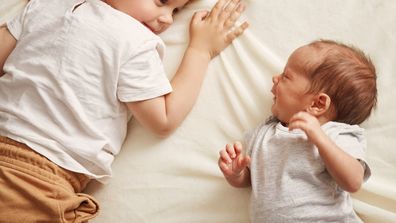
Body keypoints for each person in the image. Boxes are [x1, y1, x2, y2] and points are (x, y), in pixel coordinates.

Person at [0, 0, 248, 222]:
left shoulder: (46, 5)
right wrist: (200, 51)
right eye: (161, 1)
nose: (168, 19)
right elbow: (163, 119)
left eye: (176, 10)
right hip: (37, 181)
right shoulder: (134, 39)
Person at [218, 40, 377, 222]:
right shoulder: (264, 133)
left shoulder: (334, 134)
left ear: (317, 104)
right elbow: (252, 181)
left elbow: (353, 181)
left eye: (286, 76)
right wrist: (236, 174)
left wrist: (319, 138)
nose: (275, 78)